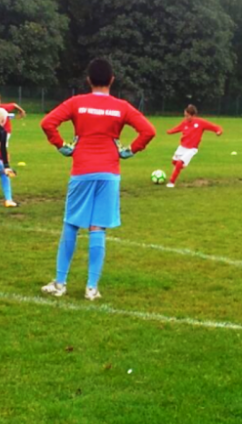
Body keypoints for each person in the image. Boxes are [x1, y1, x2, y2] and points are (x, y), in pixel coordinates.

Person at [40, 59, 156, 300]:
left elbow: (47, 123)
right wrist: (130, 150)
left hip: (82, 170)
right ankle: (91, 288)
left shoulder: (77, 102)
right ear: (112, 80)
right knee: (98, 227)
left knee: (71, 223)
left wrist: (61, 145)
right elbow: (148, 131)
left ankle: (60, 284)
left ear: (88, 80)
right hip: (109, 173)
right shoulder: (121, 107)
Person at [165, 105, 223, 188]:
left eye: (187, 116)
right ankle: (181, 165)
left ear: (193, 115)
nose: (185, 118)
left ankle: (171, 182)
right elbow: (178, 128)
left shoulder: (200, 122)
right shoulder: (185, 122)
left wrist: (219, 131)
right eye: (185, 115)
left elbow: (214, 127)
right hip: (182, 147)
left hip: (192, 149)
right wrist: (169, 131)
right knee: (174, 162)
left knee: (179, 163)